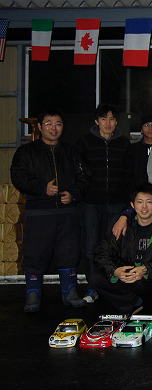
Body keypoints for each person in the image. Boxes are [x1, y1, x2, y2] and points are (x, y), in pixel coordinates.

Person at [10, 109, 88, 312]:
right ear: (39, 126)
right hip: (39, 212)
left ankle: (69, 291)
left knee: (69, 252)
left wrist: (74, 194)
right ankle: (33, 294)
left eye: (58, 124)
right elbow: (18, 177)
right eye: (49, 124)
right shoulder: (26, 152)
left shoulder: (71, 151)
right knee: (35, 253)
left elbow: (84, 177)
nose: (54, 128)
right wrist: (41, 188)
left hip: (67, 213)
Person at [93, 183, 152, 314]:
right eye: (140, 202)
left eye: (149, 202)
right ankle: (133, 303)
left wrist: (146, 269)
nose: (144, 207)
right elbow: (102, 252)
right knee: (96, 277)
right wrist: (115, 271)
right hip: (130, 277)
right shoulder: (123, 225)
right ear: (132, 205)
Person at [75, 104, 131, 304]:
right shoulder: (84, 142)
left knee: (113, 246)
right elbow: (78, 172)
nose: (108, 123)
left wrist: (127, 206)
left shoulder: (124, 143)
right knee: (91, 246)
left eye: (112, 119)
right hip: (91, 203)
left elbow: (129, 175)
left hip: (116, 203)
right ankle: (93, 287)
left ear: (116, 122)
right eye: (104, 119)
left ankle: (110, 285)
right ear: (96, 121)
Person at [128, 115, 152, 191]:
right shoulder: (132, 149)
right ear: (141, 130)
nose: (150, 128)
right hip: (138, 191)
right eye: (146, 125)